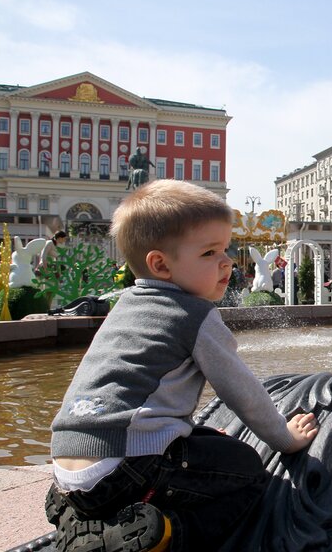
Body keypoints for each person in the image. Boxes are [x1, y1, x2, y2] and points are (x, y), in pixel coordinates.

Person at [45, 180, 318, 552]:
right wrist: (284, 439)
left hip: (67, 463)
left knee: (204, 438)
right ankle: (166, 532)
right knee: (249, 471)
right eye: (209, 253)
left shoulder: (124, 305)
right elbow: (242, 392)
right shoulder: (193, 313)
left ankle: (79, 516)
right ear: (161, 264)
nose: (226, 262)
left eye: (226, 249)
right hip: (127, 467)